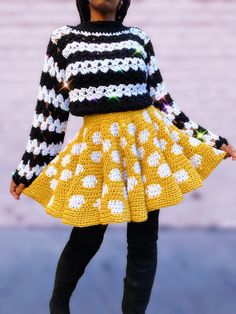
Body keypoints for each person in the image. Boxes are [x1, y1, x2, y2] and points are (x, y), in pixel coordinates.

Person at [10, 0, 236, 313]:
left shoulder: (138, 39)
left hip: (145, 151)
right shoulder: (64, 40)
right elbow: (50, 111)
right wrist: (28, 168)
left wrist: (210, 140)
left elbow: (163, 102)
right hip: (97, 155)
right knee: (86, 237)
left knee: (143, 243)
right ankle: (58, 305)